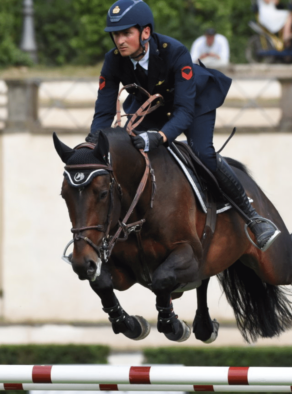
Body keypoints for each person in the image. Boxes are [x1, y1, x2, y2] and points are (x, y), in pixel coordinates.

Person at [87, 0, 280, 250]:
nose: (119, 40)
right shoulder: (113, 60)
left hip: (192, 104)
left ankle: (254, 219)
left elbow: (184, 112)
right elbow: (103, 111)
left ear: (146, 32)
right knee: (126, 148)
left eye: (126, 33)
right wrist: (92, 144)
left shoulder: (174, 51)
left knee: (202, 153)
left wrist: (160, 137)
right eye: (115, 34)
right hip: (153, 106)